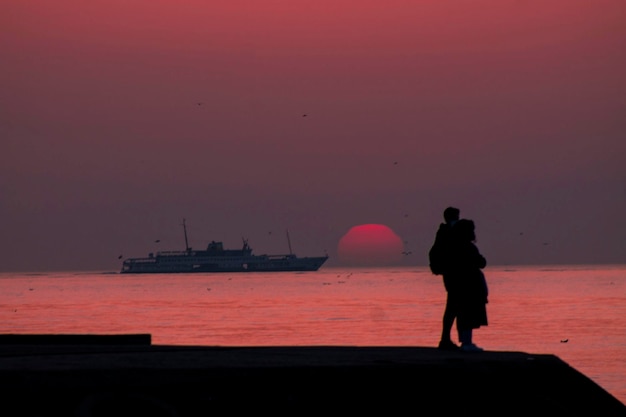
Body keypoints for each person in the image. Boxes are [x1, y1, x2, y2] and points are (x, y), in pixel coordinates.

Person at [447, 218, 488, 352]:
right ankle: (466, 343)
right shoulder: (468, 247)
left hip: (461, 284)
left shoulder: (455, 247)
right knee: (468, 314)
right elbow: (480, 262)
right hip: (469, 285)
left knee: (464, 314)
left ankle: (466, 342)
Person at [428, 206, 461, 350]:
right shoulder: (447, 232)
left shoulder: (444, 232)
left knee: (453, 306)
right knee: (452, 307)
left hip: (450, 272)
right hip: (452, 273)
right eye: (456, 216)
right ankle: (446, 339)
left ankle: (446, 339)